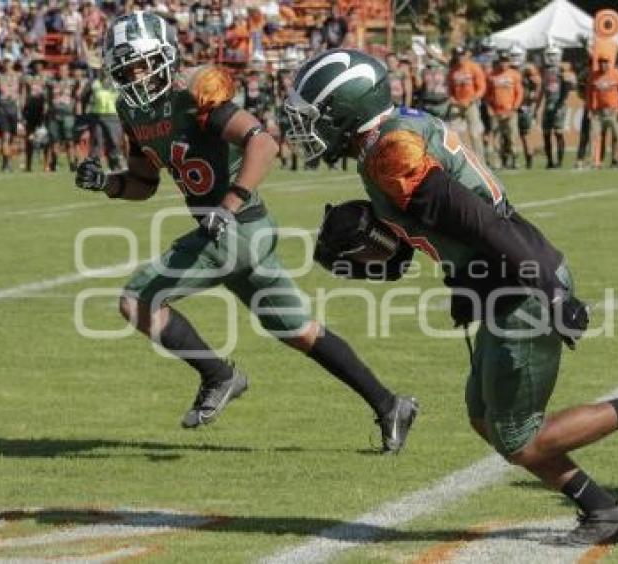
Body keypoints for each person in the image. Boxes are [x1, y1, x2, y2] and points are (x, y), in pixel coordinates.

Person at [285, 47, 618, 546]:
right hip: (501, 277)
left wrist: (544, 285)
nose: (307, 128)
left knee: (517, 434)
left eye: (316, 115)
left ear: (348, 106)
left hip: (519, 281)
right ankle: (602, 509)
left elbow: (475, 217)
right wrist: (460, 280)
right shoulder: (393, 132)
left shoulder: (389, 153)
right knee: (485, 417)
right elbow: (458, 218)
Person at [74, 12, 417, 453]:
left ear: (165, 57)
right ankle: (390, 404)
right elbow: (144, 184)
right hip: (234, 234)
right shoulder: (132, 110)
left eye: (141, 64)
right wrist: (106, 182)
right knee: (299, 330)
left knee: (136, 301)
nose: (134, 76)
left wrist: (229, 203)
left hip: (238, 226)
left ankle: (219, 375)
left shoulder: (195, 92)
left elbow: (263, 143)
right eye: (125, 68)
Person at [587, 55, 618, 169]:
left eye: (606, 62)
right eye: (601, 62)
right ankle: (594, 161)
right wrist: (590, 108)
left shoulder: (616, 74)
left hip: (614, 111)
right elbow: (589, 94)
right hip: (598, 112)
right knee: (594, 136)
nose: (603, 64)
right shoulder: (594, 76)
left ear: (610, 63)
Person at [447, 46, 486, 163]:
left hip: (471, 104)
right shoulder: (453, 70)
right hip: (457, 104)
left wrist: (472, 99)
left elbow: (481, 87)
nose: (460, 58)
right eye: (458, 55)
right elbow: (449, 89)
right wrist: (451, 99)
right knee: (454, 133)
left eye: (462, 55)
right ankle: (458, 160)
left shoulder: (474, 67)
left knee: (475, 133)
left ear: (466, 54)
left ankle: (480, 161)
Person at [484, 51, 522, 170]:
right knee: (496, 138)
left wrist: (514, 108)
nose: (503, 64)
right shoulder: (492, 75)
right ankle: (498, 161)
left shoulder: (514, 74)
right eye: (501, 61)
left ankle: (514, 159)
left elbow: (519, 93)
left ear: (509, 62)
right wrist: (489, 108)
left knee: (512, 137)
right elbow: (487, 94)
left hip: (510, 111)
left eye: (505, 61)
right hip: (496, 112)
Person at [539, 45, 574, 169]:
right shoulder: (544, 71)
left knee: (558, 133)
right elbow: (542, 90)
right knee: (546, 133)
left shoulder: (563, 70)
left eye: (554, 55)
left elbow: (570, 86)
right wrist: (537, 106)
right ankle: (549, 161)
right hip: (548, 105)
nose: (551, 58)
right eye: (549, 55)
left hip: (559, 105)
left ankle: (559, 161)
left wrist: (561, 103)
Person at [46, 62, 79, 171]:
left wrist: (74, 107)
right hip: (54, 114)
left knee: (70, 140)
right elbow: (48, 97)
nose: (62, 72)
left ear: (68, 71)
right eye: (60, 70)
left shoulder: (73, 82)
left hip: (68, 115)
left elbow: (77, 96)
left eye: (64, 70)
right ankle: (54, 163)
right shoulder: (51, 82)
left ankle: (72, 164)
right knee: (54, 140)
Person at [0, 54, 21, 172]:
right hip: (1, 108)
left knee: (12, 137)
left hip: (13, 108)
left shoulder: (19, 76)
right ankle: (6, 163)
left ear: (13, 62)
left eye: (9, 61)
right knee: (5, 136)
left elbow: (23, 91)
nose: (7, 64)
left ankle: (8, 160)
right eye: (5, 62)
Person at [21, 58, 49, 172]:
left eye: (40, 64)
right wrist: (22, 109)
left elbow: (50, 93)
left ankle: (46, 164)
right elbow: (23, 93)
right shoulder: (27, 78)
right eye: (36, 64)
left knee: (46, 138)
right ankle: (28, 164)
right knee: (29, 138)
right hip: (31, 109)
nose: (38, 66)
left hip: (43, 109)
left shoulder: (47, 77)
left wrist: (48, 106)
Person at [416, 44, 449, 120]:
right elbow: (419, 85)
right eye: (428, 55)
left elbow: (440, 58)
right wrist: (417, 70)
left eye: (430, 55)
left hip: (442, 104)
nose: (429, 57)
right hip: (427, 103)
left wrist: (424, 47)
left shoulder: (445, 67)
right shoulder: (424, 69)